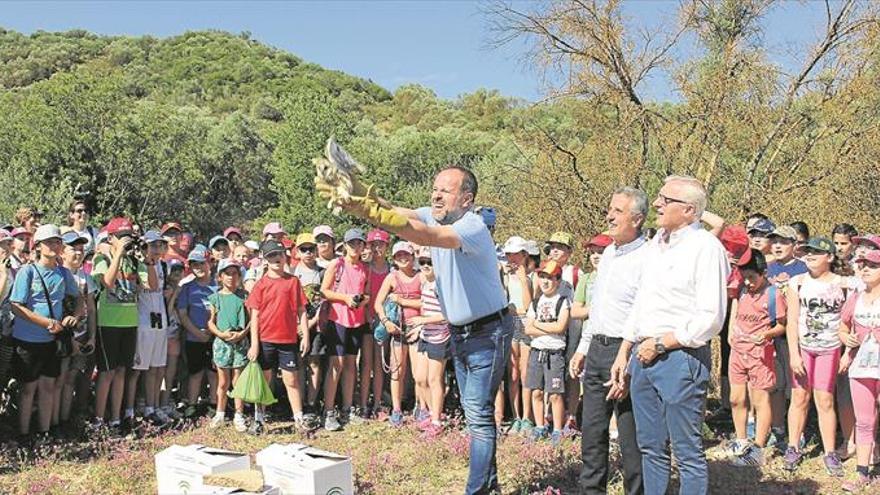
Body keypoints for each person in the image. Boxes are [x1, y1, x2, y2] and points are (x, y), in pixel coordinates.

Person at [319, 164, 511, 494]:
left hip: (487, 333)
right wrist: (360, 193)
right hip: (462, 332)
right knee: (475, 413)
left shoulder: (472, 226)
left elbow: (422, 235)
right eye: (434, 188)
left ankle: (478, 490)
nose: (435, 194)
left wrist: (368, 209)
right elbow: (397, 210)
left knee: (478, 415)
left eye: (445, 190)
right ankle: (489, 486)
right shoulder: (436, 214)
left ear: (466, 198)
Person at [611, 176, 729, 495]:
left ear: (689, 211)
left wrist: (662, 343)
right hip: (642, 356)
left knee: (687, 452)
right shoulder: (655, 246)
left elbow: (711, 318)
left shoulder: (706, 248)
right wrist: (625, 351)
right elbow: (641, 303)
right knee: (650, 448)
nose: (658, 204)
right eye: (660, 197)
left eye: (666, 200)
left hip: (681, 359)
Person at [569, 187, 648, 495]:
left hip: (626, 352)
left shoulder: (647, 257)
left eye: (618, 210)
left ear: (638, 219)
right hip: (598, 349)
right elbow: (599, 308)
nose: (609, 215)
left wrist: (627, 360)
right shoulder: (611, 252)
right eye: (609, 209)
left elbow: (642, 313)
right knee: (592, 431)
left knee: (630, 437)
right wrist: (583, 347)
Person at [783, 237, 855, 475]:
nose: (810, 256)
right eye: (807, 252)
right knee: (799, 398)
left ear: (830, 257)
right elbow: (791, 321)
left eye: (816, 252)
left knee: (824, 400)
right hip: (804, 348)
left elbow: (856, 314)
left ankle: (830, 452)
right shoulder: (798, 282)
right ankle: (793, 446)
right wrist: (793, 354)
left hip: (830, 348)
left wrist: (848, 352)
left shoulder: (844, 283)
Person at [9, 225, 83, 438]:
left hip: (51, 341)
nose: (54, 245)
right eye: (49, 242)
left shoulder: (63, 273)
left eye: (57, 241)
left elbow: (79, 299)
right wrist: (45, 322)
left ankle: (45, 433)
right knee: (28, 390)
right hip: (27, 341)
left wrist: (75, 317)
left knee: (48, 387)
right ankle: (23, 435)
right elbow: (16, 305)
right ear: (39, 246)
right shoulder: (27, 272)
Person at [92, 217, 155, 430]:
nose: (126, 241)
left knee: (121, 371)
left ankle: (116, 418)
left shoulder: (134, 261)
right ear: (111, 238)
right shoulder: (102, 258)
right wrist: (117, 253)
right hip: (108, 323)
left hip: (130, 323)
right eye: (121, 237)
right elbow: (107, 283)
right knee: (107, 372)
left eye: (128, 237)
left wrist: (147, 258)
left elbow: (151, 285)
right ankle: (99, 419)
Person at [726, 249, 787, 466]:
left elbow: (782, 324)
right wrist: (732, 330)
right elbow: (734, 309)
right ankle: (741, 440)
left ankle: (758, 448)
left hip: (760, 354)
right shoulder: (742, 290)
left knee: (760, 400)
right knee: (736, 398)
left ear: (763, 273)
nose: (749, 282)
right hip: (737, 352)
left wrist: (766, 334)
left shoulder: (773, 294)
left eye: (753, 277)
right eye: (746, 277)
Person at [246, 239, 310, 434]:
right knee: (264, 381)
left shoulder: (293, 282)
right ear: (265, 260)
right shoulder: (261, 285)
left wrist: (305, 335)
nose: (276, 259)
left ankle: (299, 419)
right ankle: (259, 419)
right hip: (265, 340)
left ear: (285, 257)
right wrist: (254, 344)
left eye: (279, 254)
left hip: (288, 340)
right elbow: (254, 316)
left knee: (291, 380)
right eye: (271, 255)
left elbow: (302, 311)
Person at [320, 228, 371, 431]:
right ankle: (329, 411)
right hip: (338, 319)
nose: (355, 247)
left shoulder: (364, 268)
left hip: (357, 321)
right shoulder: (337, 264)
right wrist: (346, 299)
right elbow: (324, 290)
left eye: (359, 243)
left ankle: (347, 409)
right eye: (351, 243)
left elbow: (367, 293)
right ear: (345, 245)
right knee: (336, 364)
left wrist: (361, 300)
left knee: (351, 364)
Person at [839, 249, 880, 491]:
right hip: (861, 368)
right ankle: (862, 473)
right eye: (862, 264)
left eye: (873, 265)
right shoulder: (855, 297)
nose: (865, 269)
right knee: (864, 422)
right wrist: (847, 340)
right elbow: (842, 327)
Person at [375, 240, 422, 427]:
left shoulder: (422, 277)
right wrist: (386, 322)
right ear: (394, 258)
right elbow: (378, 303)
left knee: (419, 374)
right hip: (397, 330)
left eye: (406, 255)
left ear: (412, 256)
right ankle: (396, 409)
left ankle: (421, 407)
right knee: (397, 372)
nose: (403, 258)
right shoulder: (391, 277)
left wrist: (402, 301)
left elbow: (426, 303)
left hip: (418, 329)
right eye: (398, 255)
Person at [524, 260, 570, 446]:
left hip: (554, 353)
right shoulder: (535, 303)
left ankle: (558, 430)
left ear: (558, 280)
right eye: (542, 276)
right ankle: (539, 426)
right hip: (537, 351)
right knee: (536, 391)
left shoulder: (563, 301)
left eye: (550, 277)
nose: (545, 281)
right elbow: (528, 329)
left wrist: (538, 325)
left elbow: (561, 327)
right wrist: (547, 328)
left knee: (555, 393)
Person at [542, 231, 584, 434]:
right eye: (552, 247)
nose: (555, 251)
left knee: (572, 370)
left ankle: (572, 415)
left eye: (560, 247)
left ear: (569, 251)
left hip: (572, 327)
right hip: (551, 330)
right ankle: (550, 413)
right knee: (551, 368)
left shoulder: (575, 273)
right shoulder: (544, 270)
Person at [129, 231, 170, 425]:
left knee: (156, 367)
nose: (155, 249)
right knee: (138, 368)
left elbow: (162, 290)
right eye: (151, 245)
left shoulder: (164, 265)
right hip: (143, 320)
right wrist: (147, 262)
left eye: (159, 245)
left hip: (160, 320)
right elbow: (150, 286)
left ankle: (152, 407)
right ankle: (131, 409)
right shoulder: (138, 264)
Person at [56, 231, 97, 428]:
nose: (79, 253)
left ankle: (69, 420)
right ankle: (55, 423)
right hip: (61, 338)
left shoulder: (86, 278)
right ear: (62, 251)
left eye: (82, 249)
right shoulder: (57, 275)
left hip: (82, 337)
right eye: (74, 249)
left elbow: (91, 309)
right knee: (59, 381)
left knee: (73, 379)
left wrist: (93, 337)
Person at [411, 245, 450, 439]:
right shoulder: (426, 282)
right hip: (426, 335)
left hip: (439, 337)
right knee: (419, 378)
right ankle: (430, 413)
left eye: (430, 262)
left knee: (435, 379)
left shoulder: (441, 285)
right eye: (423, 262)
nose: (426, 266)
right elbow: (425, 306)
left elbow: (447, 315)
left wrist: (423, 320)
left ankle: (436, 420)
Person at [207, 259, 249, 432]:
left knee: (238, 380)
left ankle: (239, 414)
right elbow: (211, 321)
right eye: (227, 274)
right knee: (223, 382)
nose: (231, 277)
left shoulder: (245, 296)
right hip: (222, 342)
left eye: (235, 274)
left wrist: (243, 333)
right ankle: (220, 412)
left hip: (240, 342)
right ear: (220, 277)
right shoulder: (215, 297)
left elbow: (252, 319)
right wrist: (220, 334)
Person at [176, 245, 218, 417]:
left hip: (215, 337)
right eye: (194, 265)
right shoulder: (187, 288)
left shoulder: (219, 286)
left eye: (201, 263)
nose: (198, 268)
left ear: (210, 263)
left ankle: (214, 403)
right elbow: (183, 314)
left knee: (213, 372)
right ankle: (192, 404)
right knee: (195, 372)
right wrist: (197, 332)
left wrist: (213, 332)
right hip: (194, 337)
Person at [501, 236, 534, 436]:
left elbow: (529, 304)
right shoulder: (503, 276)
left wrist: (522, 278)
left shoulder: (533, 277)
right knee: (512, 374)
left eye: (516, 254)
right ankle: (516, 416)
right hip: (510, 324)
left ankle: (527, 418)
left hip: (527, 325)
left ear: (524, 255)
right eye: (509, 254)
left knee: (525, 373)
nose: (512, 258)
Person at [291, 232, 325, 423]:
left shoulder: (322, 272)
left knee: (314, 363)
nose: (308, 253)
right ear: (297, 251)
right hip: (294, 326)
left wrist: (311, 323)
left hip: (316, 324)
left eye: (311, 249)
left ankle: (311, 403)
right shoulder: (292, 272)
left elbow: (324, 302)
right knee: (298, 363)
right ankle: (300, 402)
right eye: (304, 249)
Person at [360, 228, 390, 419]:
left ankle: (378, 403)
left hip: (384, 321)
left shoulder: (391, 269)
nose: (377, 248)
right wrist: (367, 316)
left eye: (381, 244)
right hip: (366, 320)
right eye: (374, 244)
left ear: (387, 246)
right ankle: (363, 404)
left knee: (380, 364)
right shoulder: (365, 269)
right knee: (365, 364)